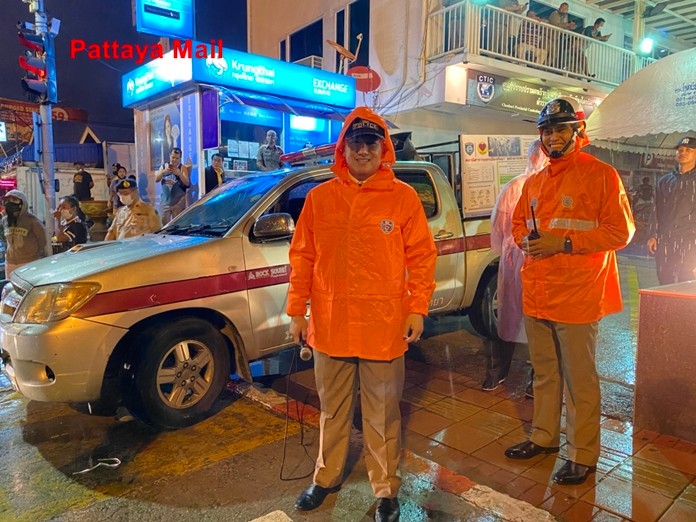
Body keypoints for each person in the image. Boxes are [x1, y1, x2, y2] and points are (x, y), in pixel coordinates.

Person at [287, 107, 437, 522]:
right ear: (344, 148)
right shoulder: (319, 198)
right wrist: (297, 310)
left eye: (371, 142)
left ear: (383, 148)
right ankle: (326, 477)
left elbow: (422, 257)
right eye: (356, 142)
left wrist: (417, 308)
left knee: (382, 412)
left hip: (383, 325)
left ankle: (386, 488)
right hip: (330, 323)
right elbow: (302, 258)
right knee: (332, 409)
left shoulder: (403, 198)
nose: (364, 150)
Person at [504, 98, 634, 486]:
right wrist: (524, 240)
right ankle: (544, 437)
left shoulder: (602, 175)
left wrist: (563, 243)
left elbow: (620, 232)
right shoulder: (535, 181)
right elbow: (517, 224)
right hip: (538, 290)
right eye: (547, 130)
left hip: (578, 294)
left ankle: (582, 454)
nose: (553, 137)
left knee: (580, 380)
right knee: (545, 373)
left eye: (560, 129)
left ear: (578, 132)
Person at [484, 139, 547, 393]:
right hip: (521, 260)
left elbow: (499, 230)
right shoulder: (517, 187)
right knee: (513, 315)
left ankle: (531, 375)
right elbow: (500, 228)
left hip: (533, 260)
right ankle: (507, 371)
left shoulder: (544, 188)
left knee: (534, 318)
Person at [647, 136, 696, 285]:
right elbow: (656, 209)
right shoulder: (665, 181)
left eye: (688, 150)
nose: (683, 153)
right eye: (680, 150)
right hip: (665, 241)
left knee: (687, 283)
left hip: (690, 242)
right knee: (664, 280)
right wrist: (653, 235)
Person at [2, 189, 47, 276]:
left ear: (22, 203)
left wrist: (34, 255)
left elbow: (43, 241)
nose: (10, 203)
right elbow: (5, 240)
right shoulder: (5, 221)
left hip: (29, 262)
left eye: (14, 200)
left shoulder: (32, 221)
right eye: (7, 200)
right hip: (10, 263)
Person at [155, 147, 190, 224]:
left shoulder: (182, 168)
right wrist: (163, 172)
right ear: (170, 156)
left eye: (177, 158)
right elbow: (156, 179)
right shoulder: (163, 166)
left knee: (178, 224)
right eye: (173, 157)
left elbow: (187, 183)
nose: (174, 160)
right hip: (165, 201)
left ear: (180, 158)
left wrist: (179, 174)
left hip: (178, 202)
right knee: (162, 224)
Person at [547, 2, 577, 69]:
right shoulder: (554, 14)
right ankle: (544, 67)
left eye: (565, 9)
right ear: (559, 7)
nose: (564, 10)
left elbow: (564, 27)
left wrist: (570, 27)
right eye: (562, 8)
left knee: (554, 55)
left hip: (556, 38)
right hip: (548, 37)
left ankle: (547, 67)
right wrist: (567, 25)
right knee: (552, 53)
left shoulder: (565, 16)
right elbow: (556, 25)